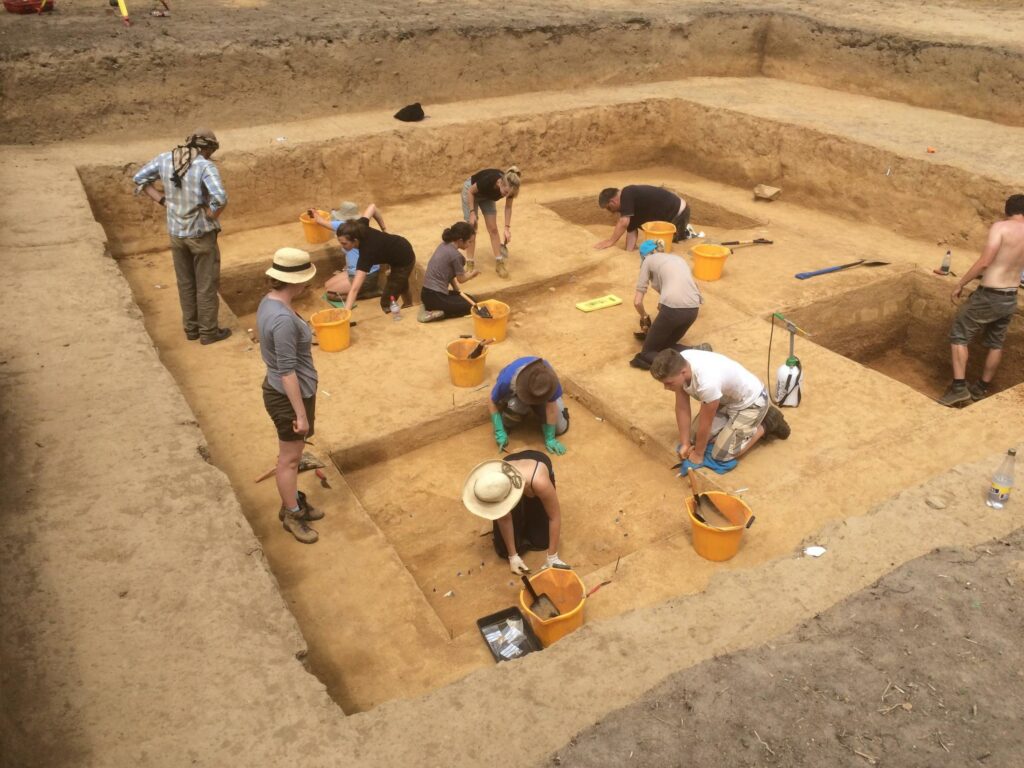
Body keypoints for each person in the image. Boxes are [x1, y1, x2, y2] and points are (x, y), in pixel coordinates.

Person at [132, 128, 231, 344]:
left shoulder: (165, 159)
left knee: (185, 282)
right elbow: (220, 197)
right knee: (206, 284)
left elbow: (139, 178)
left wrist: (162, 201)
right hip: (201, 234)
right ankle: (208, 332)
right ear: (206, 148)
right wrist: (212, 213)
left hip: (176, 234)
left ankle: (191, 329)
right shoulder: (204, 166)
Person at [257, 248, 323, 544]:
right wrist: (299, 413)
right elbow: (287, 372)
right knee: (290, 459)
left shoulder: (269, 304)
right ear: (295, 281)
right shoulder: (283, 320)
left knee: (292, 456)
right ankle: (291, 512)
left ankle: (293, 501)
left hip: (285, 391)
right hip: (287, 396)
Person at [939, 194, 1024, 406]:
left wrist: (961, 283)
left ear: (1007, 211)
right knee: (996, 343)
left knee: (959, 334)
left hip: (990, 294)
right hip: (1010, 295)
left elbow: (985, 261)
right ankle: (981, 388)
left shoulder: (1001, 227)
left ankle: (959, 387)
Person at [650, 348, 790, 469]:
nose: (666, 388)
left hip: (751, 401)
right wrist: (685, 443)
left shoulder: (707, 383)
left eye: (669, 383)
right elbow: (682, 407)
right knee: (693, 436)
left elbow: (707, 422)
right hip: (725, 399)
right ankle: (733, 427)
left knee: (721, 454)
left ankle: (767, 422)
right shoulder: (680, 361)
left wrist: (698, 454)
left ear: (683, 372)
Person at [462, 454, 569, 575]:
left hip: (534, 469)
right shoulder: (492, 483)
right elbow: (504, 519)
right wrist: (512, 556)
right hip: (510, 471)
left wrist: (552, 557)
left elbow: (554, 517)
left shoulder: (540, 482)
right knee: (503, 550)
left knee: (542, 541)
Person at [631, 241, 708, 369]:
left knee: (647, 353)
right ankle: (697, 352)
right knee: (665, 346)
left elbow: (637, 302)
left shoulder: (647, 261)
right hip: (693, 310)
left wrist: (644, 317)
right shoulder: (677, 259)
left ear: (644, 256)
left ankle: (686, 366)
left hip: (673, 310)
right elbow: (695, 288)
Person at [336, 204, 416, 314]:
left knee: (386, 301)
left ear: (355, 240)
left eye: (344, 243)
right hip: (398, 247)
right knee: (400, 283)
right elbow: (372, 207)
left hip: (404, 259)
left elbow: (354, 288)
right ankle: (409, 305)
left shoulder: (367, 254)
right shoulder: (359, 226)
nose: (342, 246)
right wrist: (383, 229)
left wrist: (346, 313)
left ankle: (398, 320)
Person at [490, 357, 569, 456]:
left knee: (559, 428)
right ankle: (516, 412)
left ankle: (540, 409)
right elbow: (491, 401)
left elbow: (551, 408)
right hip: (516, 394)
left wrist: (550, 438)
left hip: (539, 393)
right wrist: (499, 429)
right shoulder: (506, 380)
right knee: (513, 411)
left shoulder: (549, 381)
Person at [309, 201, 381, 303]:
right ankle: (362, 288)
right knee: (327, 286)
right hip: (352, 271)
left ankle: (368, 292)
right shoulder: (342, 227)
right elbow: (321, 221)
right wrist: (314, 213)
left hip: (366, 275)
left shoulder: (359, 234)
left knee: (331, 295)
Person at [461, 166, 522, 278]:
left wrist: (507, 228)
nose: (506, 195)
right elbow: (471, 191)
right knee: (472, 228)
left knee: (493, 229)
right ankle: (469, 262)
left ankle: (499, 263)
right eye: (506, 192)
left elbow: (508, 208)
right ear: (501, 183)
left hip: (487, 197)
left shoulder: (510, 189)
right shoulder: (489, 180)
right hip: (471, 191)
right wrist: (472, 212)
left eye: (509, 194)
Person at [594, 185, 693, 251]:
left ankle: (687, 231)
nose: (611, 212)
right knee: (658, 241)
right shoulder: (630, 208)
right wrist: (629, 251)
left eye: (609, 208)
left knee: (665, 243)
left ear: (612, 202)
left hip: (679, 214)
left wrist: (611, 241)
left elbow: (623, 222)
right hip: (668, 217)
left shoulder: (627, 193)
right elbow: (631, 231)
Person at [418, 221, 481, 322]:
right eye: (469, 241)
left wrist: (457, 291)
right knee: (470, 306)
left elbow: (449, 274)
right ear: (460, 240)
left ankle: (429, 307)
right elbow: (461, 279)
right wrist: (473, 274)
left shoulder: (443, 245)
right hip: (435, 296)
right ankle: (433, 313)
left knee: (470, 298)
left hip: (427, 294)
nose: (470, 245)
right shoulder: (455, 256)